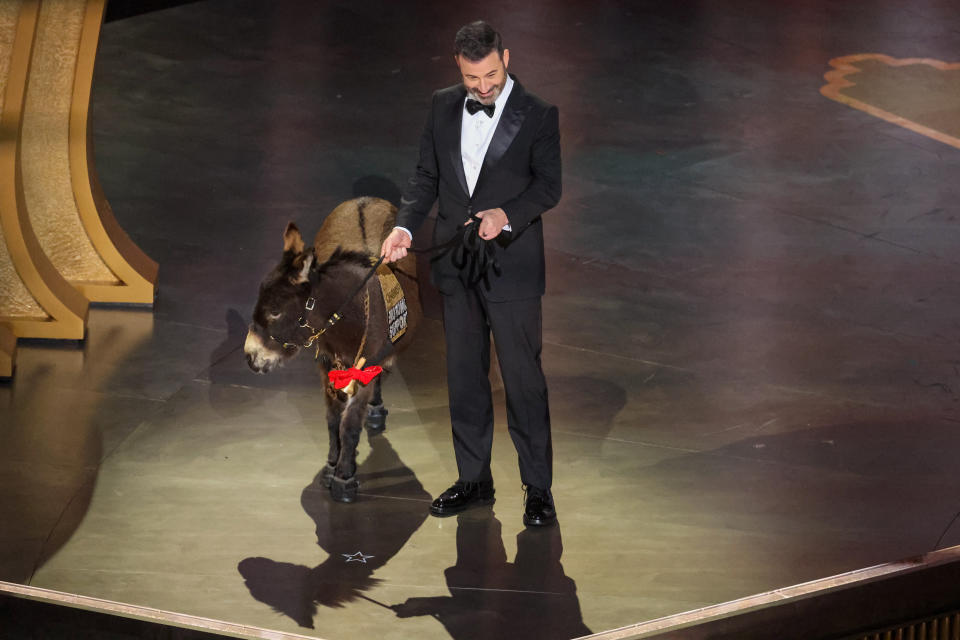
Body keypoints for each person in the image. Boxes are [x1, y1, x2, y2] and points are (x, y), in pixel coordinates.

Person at [380, 20, 561, 526]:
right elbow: (426, 176)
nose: (483, 88)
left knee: (523, 382)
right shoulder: (441, 104)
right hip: (457, 266)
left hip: (513, 267)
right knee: (464, 378)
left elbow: (549, 187)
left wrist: (507, 215)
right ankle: (473, 479)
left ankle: (538, 489)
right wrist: (405, 228)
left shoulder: (539, 114)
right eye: (472, 80)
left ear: (507, 57)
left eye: (492, 75)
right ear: (457, 67)